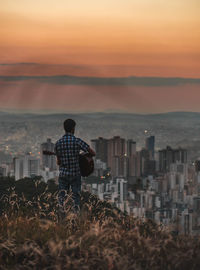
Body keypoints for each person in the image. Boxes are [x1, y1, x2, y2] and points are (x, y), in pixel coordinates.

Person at [54, 119, 95, 217]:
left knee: (61, 197)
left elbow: (59, 162)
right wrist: (82, 156)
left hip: (63, 175)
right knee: (76, 197)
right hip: (75, 174)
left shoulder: (58, 143)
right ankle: (74, 219)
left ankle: (61, 218)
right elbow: (93, 153)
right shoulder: (77, 141)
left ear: (64, 129)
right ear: (73, 129)